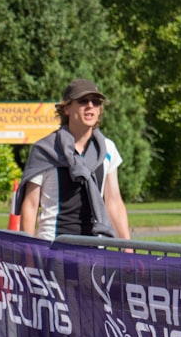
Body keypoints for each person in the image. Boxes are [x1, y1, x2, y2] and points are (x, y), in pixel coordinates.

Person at [17, 79, 131, 241]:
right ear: (67, 108)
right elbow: (31, 204)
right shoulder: (45, 149)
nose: (90, 105)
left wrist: (127, 245)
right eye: (83, 100)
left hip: (96, 248)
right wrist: (27, 250)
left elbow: (114, 201)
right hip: (53, 248)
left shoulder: (108, 149)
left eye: (96, 102)